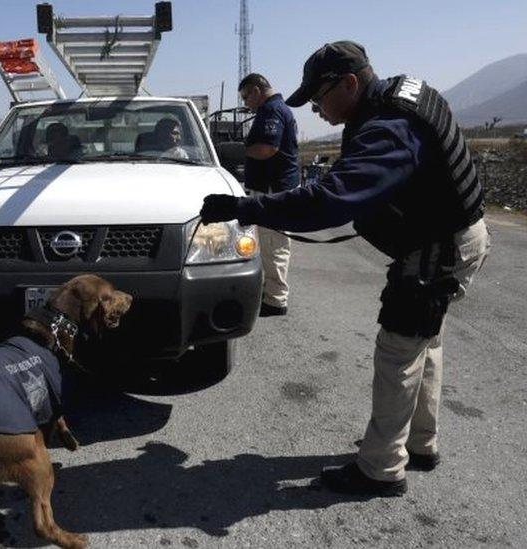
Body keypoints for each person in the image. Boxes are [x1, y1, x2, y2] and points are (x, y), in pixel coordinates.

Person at [200, 41, 490, 497]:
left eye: (319, 97)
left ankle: (380, 469)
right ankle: (419, 443)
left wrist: (248, 207)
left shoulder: (390, 128)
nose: (316, 109)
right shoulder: (397, 102)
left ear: (350, 83)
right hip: (452, 238)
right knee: (423, 343)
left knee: (397, 351)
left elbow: (330, 200)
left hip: (438, 250)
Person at [238, 73, 301, 317]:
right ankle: (271, 292)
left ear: (256, 90)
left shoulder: (271, 110)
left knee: (274, 246)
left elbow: (267, 148)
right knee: (270, 245)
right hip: (274, 188)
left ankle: (275, 300)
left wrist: (241, 148)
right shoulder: (275, 109)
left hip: (274, 190)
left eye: (246, 97)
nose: (245, 103)